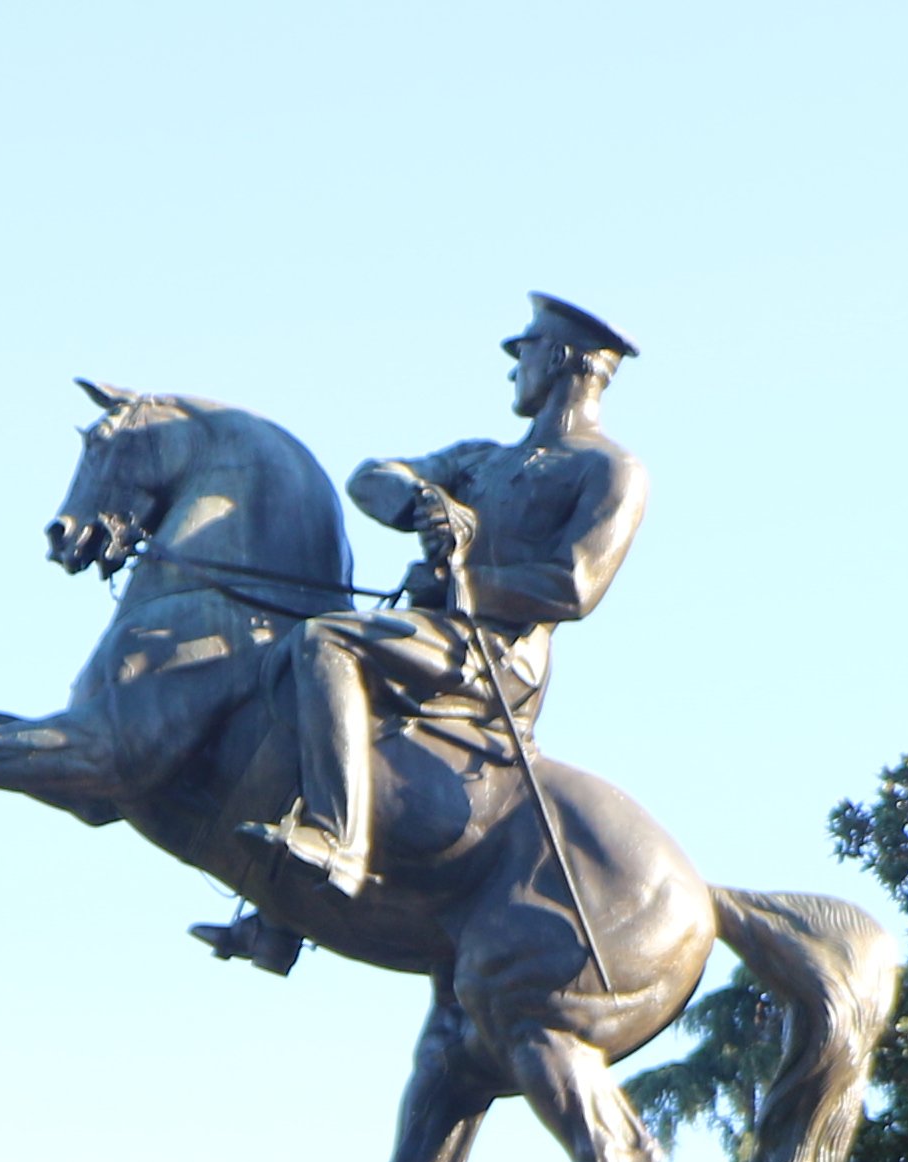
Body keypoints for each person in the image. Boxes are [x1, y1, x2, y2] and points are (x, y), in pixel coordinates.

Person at [221, 295, 651, 961]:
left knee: (326, 642)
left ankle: (337, 843)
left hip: (497, 655)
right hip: (430, 636)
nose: (514, 368)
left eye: (526, 350)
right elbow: (370, 475)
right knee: (294, 673)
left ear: (562, 359)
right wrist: (424, 501)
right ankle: (281, 914)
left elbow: (575, 586)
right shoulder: (481, 460)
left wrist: (466, 570)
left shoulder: (608, 470)